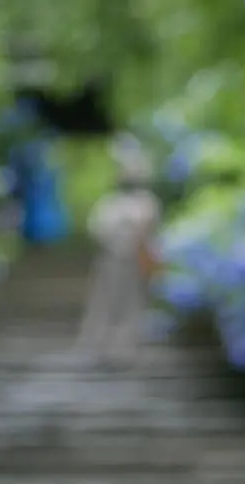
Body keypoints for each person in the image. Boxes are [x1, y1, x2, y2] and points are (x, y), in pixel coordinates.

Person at [75, 134, 162, 368]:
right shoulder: (110, 203)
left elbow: (150, 230)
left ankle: (125, 349)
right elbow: (98, 228)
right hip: (112, 259)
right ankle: (98, 345)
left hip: (134, 261)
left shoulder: (146, 201)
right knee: (104, 302)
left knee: (132, 304)